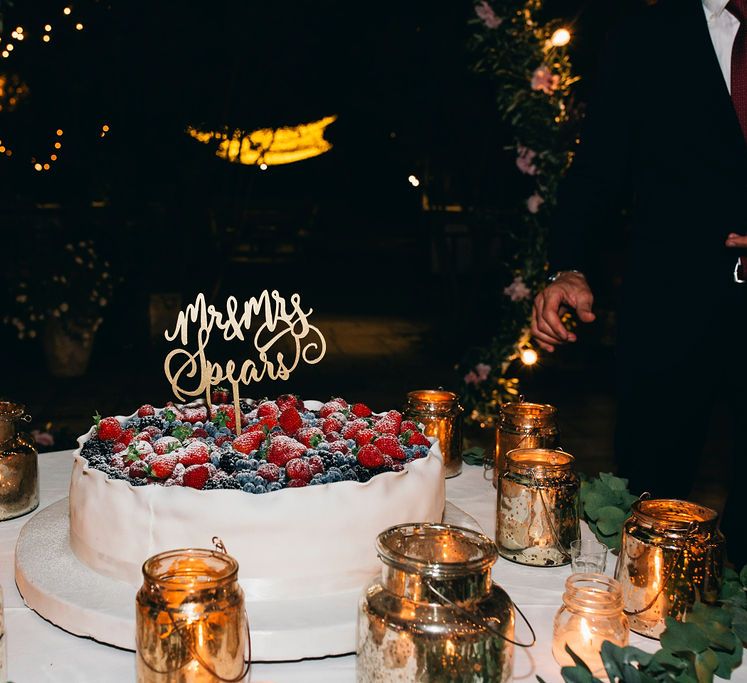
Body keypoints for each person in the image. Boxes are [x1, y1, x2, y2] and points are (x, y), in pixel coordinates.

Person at [531, 0, 747, 566]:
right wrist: (567, 267)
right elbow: (599, 167)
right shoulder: (647, 34)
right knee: (650, 504)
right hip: (669, 308)